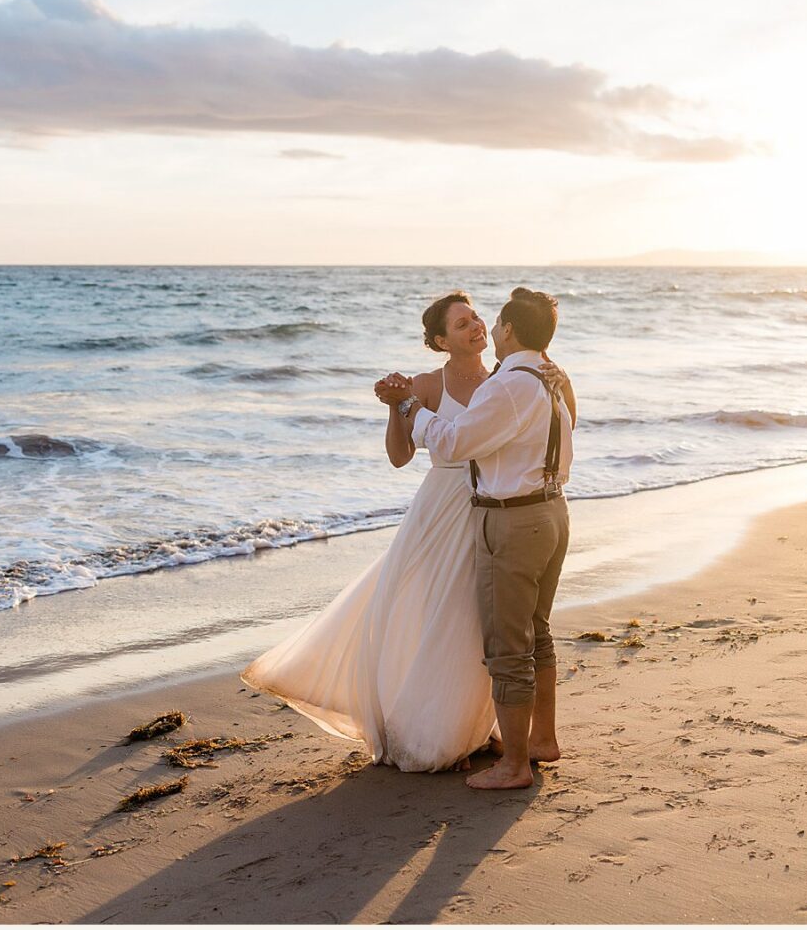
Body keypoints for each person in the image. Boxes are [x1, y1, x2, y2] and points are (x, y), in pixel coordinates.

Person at [239, 292, 503, 772]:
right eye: (462, 323)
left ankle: (472, 727)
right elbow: (400, 456)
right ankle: (432, 729)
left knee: (473, 619)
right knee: (427, 614)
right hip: (439, 508)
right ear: (441, 340)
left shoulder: (501, 380)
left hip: (489, 506)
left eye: (477, 318)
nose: (475, 326)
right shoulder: (426, 384)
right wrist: (395, 408)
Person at [397, 287, 575, 790]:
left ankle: (515, 764)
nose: (488, 330)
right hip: (553, 510)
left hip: (513, 520)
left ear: (510, 331)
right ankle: (542, 740)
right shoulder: (554, 377)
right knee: (536, 632)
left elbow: (454, 441)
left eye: (492, 322)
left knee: (507, 646)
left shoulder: (508, 385)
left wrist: (414, 408)